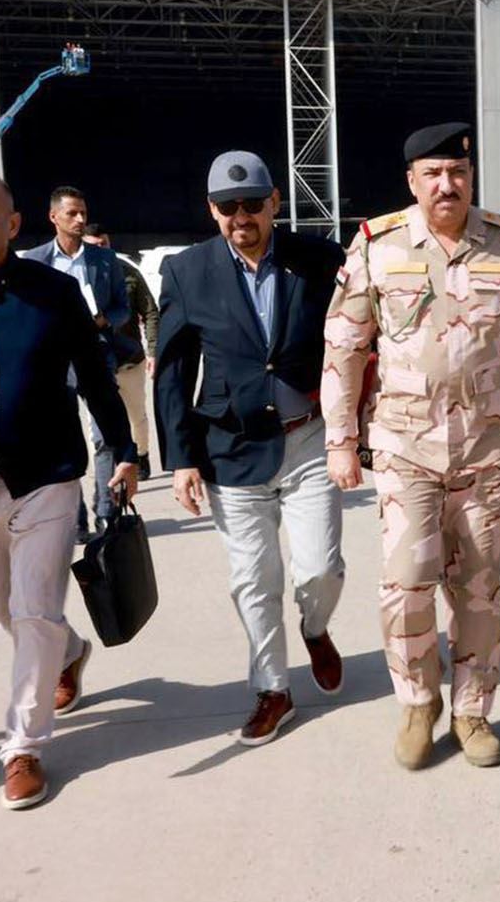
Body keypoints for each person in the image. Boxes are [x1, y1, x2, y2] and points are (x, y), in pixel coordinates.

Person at [322, 123, 500, 771]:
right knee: (406, 583)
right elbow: (343, 347)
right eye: (432, 174)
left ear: (470, 176)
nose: (446, 185)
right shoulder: (378, 245)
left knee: (478, 587)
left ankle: (471, 710)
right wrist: (341, 440)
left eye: (457, 172)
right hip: (405, 448)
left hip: (486, 451)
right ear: (412, 182)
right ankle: (417, 701)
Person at [0, 171, 138, 809]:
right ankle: (70, 652)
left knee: (32, 611)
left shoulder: (54, 292)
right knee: (2, 605)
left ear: (13, 223)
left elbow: (96, 379)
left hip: (47, 479)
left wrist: (125, 451)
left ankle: (22, 747)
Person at [154, 151, 347, 747]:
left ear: (275, 203)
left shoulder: (318, 259)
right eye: (227, 206)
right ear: (212, 210)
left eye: (252, 204)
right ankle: (273, 689)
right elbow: (172, 371)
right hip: (230, 449)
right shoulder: (187, 271)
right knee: (253, 579)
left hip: (308, 438)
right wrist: (181, 458)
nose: (241, 216)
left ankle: (314, 627)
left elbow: (354, 339)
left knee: (320, 568)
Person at [20, 187, 139, 541]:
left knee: (105, 438)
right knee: (63, 440)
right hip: (53, 362)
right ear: (53, 216)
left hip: (96, 354)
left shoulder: (104, 259)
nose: (80, 219)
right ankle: (75, 519)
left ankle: (105, 511)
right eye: (72, 213)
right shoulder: (35, 261)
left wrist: (104, 320)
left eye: (83, 212)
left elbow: (122, 307)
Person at [83, 223, 160, 480]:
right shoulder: (77, 278)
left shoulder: (128, 273)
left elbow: (150, 312)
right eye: (93, 246)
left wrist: (153, 350)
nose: (100, 249)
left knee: (136, 416)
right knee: (99, 424)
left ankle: (141, 454)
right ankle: (109, 469)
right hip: (95, 363)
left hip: (129, 360)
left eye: (103, 244)